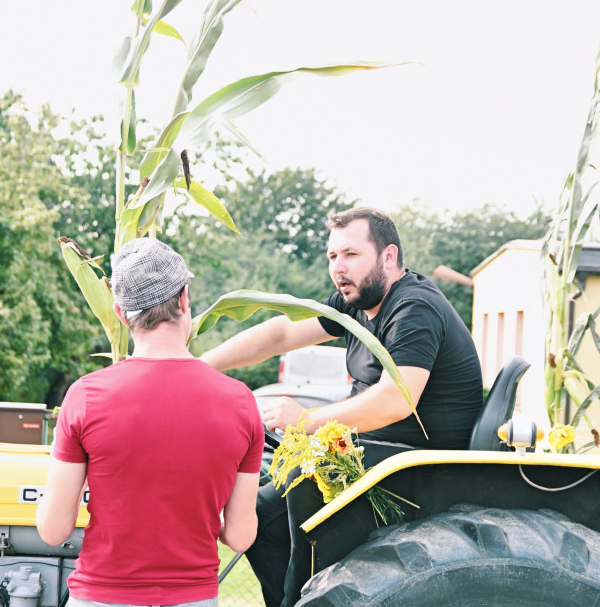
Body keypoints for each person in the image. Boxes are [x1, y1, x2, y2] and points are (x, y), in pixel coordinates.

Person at [200, 207, 484, 607]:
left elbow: (396, 399)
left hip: (420, 467)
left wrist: (306, 420)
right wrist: (195, 364)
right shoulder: (356, 302)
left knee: (292, 488)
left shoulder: (413, 307)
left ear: (388, 256)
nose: (339, 268)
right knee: (263, 513)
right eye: (333, 257)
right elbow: (282, 333)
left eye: (350, 254)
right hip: (376, 455)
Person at [36, 237, 264, 607]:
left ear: (121, 314)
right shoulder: (240, 401)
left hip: (100, 597)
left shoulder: (86, 395)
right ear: (184, 298)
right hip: (193, 599)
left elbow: (53, 529)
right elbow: (239, 536)